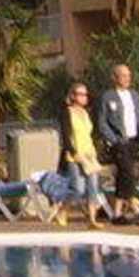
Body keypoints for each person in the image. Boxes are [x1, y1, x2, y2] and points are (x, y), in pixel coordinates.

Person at [96, 63, 139, 224]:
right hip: (119, 141)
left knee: (125, 174)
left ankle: (118, 212)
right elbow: (102, 122)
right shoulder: (108, 97)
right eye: (123, 75)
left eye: (129, 75)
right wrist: (113, 139)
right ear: (115, 78)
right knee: (128, 172)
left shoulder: (134, 95)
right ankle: (134, 208)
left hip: (133, 140)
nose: (127, 79)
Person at [56, 82, 108, 226]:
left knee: (93, 187)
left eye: (86, 95)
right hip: (74, 155)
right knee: (77, 188)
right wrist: (73, 152)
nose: (84, 97)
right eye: (81, 94)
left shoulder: (86, 113)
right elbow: (66, 136)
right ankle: (63, 210)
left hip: (89, 154)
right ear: (73, 96)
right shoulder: (67, 112)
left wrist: (94, 152)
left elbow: (89, 135)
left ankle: (92, 219)